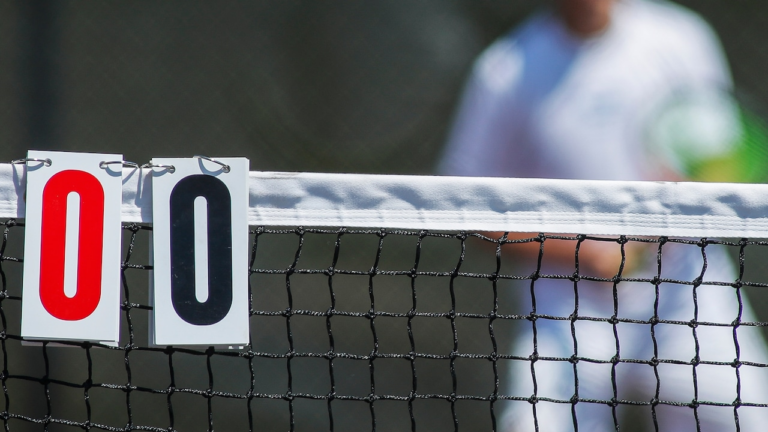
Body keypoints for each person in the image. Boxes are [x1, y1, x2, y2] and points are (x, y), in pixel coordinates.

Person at [438, 0, 768, 431]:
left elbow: (721, 152)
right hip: (567, 314)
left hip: (689, 297)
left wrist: (679, 195)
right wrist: (583, 252)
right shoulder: (504, 71)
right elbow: (466, 209)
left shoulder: (681, 38)